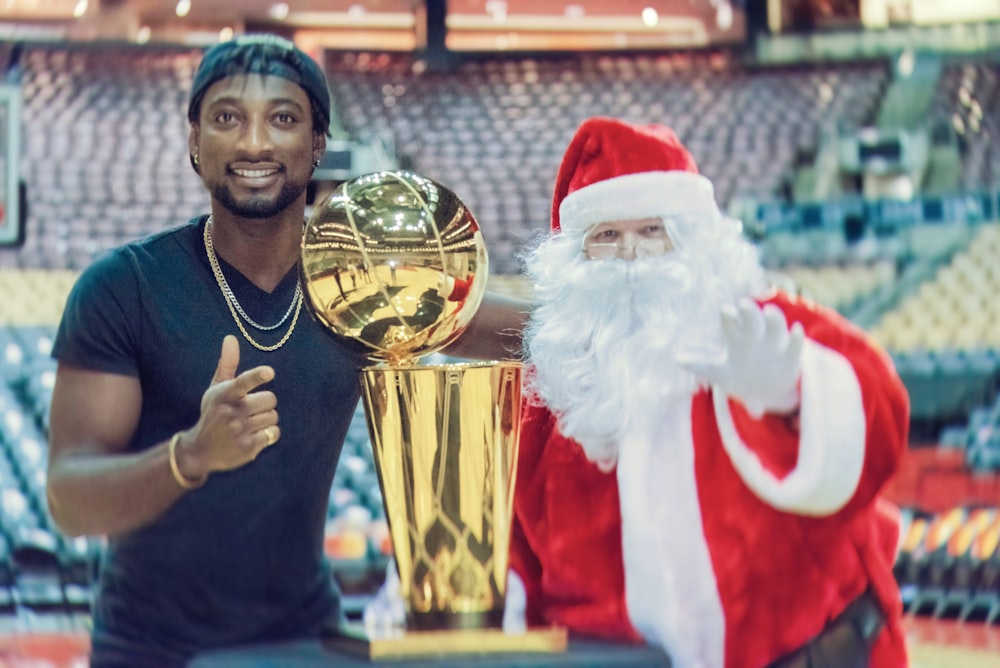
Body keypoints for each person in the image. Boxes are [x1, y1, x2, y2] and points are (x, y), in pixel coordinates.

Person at [45, 34, 527, 666]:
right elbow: (69, 499)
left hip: (307, 642)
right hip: (153, 650)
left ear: (317, 145)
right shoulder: (124, 286)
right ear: (195, 141)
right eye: (226, 118)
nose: (254, 142)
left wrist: (645, 288)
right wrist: (190, 455)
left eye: (283, 118)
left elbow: (536, 331)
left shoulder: (363, 283)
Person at [506, 117, 910, 667]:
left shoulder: (758, 326)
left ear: (694, 242)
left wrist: (793, 394)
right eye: (606, 236)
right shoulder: (552, 394)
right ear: (575, 259)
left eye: (652, 231)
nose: (630, 256)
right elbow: (510, 558)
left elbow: (882, 409)